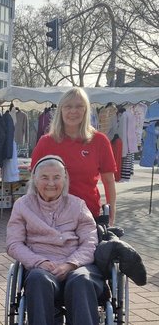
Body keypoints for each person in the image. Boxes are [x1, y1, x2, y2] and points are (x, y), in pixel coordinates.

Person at [7, 155, 103, 325]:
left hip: (77, 266)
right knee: (37, 279)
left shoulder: (78, 205)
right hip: (41, 266)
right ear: (35, 180)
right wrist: (39, 261)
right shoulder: (22, 205)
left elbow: (90, 242)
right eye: (44, 177)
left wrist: (71, 264)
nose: (51, 183)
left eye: (56, 177)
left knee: (82, 280)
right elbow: (14, 243)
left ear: (65, 180)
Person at [31, 87, 117, 226]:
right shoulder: (46, 142)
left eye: (79, 106)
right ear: (61, 110)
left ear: (86, 110)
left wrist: (112, 210)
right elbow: (34, 181)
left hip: (88, 215)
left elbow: (108, 181)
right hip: (52, 216)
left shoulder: (99, 141)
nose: (73, 111)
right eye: (68, 106)